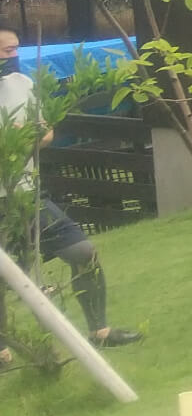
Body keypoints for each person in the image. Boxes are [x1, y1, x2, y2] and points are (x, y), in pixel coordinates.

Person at [0, 28, 138, 353]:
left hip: (27, 195)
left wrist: (28, 136)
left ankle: (99, 331)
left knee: (82, 252)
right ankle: (5, 351)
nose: (12, 57)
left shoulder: (23, 84)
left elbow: (47, 132)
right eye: (6, 51)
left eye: (15, 49)